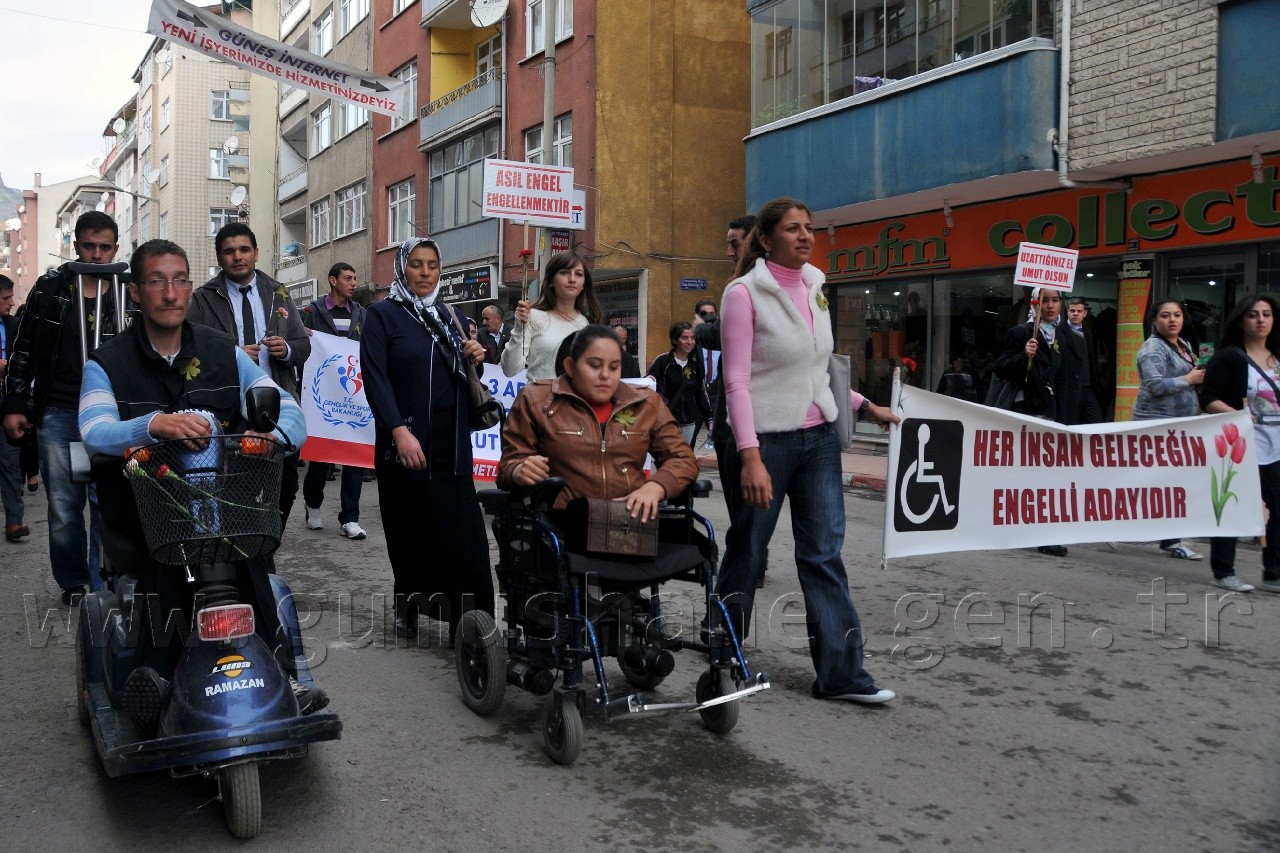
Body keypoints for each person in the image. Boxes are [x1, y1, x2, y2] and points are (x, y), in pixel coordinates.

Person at [78, 239, 327, 716]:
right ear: (136, 292)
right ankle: (155, 680)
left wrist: (275, 435)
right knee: (166, 557)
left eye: (179, 281)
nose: (170, 293)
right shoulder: (106, 362)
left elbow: (287, 410)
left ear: (191, 288)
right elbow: (95, 431)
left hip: (224, 508)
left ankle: (282, 676)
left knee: (249, 553)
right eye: (156, 281)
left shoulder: (222, 351)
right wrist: (152, 424)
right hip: (145, 512)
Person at [717, 198, 898, 705]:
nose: (804, 236)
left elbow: (816, 372)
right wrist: (749, 455)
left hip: (818, 440)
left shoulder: (816, 285)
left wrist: (865, 406)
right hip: (765, 442)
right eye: (793, 229)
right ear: (767, 239)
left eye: (809, 228)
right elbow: (735, 382)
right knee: (748, 552)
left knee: (823, 555)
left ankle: (841, 675)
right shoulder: (743, 294)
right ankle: (722, 651)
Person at [361, 238, 494, 641]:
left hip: (451, 444)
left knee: (463, 534)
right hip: (405, 441)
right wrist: (399, 431)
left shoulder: (449, 315)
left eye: (432, 265)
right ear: (403, 269)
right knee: (410, 530)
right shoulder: (383, 316)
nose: (424, 272)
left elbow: (465, 382)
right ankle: (410, 605)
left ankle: (470, 621)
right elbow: (375, 377)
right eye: (416, 264)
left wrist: (474, 358)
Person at [3, 210, 121, 604]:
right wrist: (16, 403)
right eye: (89, 246)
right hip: (59, 412)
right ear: (76, 247)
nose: (97, 254)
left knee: (108, 503)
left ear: (115, 248)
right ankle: (73, 582)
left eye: (105, 247)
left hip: (111, 416)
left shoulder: (125, 287)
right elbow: (24, 349)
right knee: (65, 508)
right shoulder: (52, 287)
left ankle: (102, 579)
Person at [498, 325, 699, 522]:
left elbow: (683, 459)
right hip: (564, 525)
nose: (605, 375)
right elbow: (509, 465)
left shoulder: (646, 403)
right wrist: (519, 471)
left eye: (614, 367)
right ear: (570, 366)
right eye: (594, 365)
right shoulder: (536, 399)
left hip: (630, 522)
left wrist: (656, 487)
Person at [188, 223, 310, 525]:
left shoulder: (278, 292)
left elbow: (303, 345)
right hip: (230, 412)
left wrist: (288, 350)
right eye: (229, 252)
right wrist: (231, 357)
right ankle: (246, 563)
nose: (237, 257)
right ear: (220, 258)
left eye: (244, 250)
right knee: (236, 493)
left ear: (256, 253)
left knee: (285, 488)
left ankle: (264, 553)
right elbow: (189, 355)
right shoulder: (203, 299)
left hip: (276, 410)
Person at [1200, 293, 1280, 594]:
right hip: (1240, 446)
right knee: (1233, 508)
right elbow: (1207, 398)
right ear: (1242, 320)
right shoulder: (1229, 356)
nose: (1261, 320)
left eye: (1267, 314)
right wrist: (1239, 415)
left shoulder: (1278, 353)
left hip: (1277, 447)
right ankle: (1223, 571)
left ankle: (1273, 573)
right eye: (1253, 315)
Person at [697, 215, 762, 579]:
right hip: (730, 413)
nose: (728, 251)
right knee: (743, 503)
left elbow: (714, 336)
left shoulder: (750, 287)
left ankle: (745, 567)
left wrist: (703, 326)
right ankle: (750, 564)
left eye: (735, 243)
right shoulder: (737, 283)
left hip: (754, 415)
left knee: (747, 504)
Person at [992, 287, 1070, 557]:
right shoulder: (1022, 333)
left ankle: (1042, 532)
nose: (1050, 306)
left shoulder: (1062, 336)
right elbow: (1001, 367)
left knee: (1046, 476)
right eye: (1045, 301)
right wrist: (1024, 355)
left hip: (1048, 413)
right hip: (1023, 413)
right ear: (1035, 304)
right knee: (1027, 475)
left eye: (1055, 300)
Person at [300, 262, 369, 540]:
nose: (353, 283)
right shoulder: (312, 312)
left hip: (353, 398)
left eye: (355, 278)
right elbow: (298, 346)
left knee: (355, 457)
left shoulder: (362, 314)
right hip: (322, 398)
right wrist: (303, 338)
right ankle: (313, 506)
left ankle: (350, 518)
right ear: (332, 280)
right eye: (348, 278)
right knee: (320, 460)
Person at [1132, 299, 1204, 561]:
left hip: (1179, 426)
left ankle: (1169, 539)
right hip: (1155, 426)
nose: (1172, 320)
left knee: (1169, 484)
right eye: (1165, 315)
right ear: (1154, 321)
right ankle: (1166, 538)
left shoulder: (1183, 345)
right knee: (1155, 483)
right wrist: (1189, 379)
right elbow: (1156, 386)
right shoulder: (1152, 348)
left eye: (1177, 315)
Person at [501, 252, 601, 380]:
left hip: (576, 399)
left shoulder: (588, 323)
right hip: (540, 397)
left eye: (579, 274)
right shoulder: (533, 317)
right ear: (551, 281)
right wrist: (519, 328)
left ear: (583, 284)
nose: (572, 279)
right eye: (564, 272)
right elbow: (510, 369)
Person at [646, 322, 710, 445]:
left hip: (689, 422)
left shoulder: (695, 364)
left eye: (692, 338)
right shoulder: (663, 361)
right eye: (684, 338)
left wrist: (709, 418)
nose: (689, 342)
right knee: (668, 457)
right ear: (675, 340)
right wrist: (649, 379)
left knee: (685, 457)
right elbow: (648, 385)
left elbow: (701, 392)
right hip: (666, 421)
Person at [0, 275, 27, 542]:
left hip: (6, 401)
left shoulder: (14, 326)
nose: (11, 303)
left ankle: (14, 521)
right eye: (6, 299)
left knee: (9, 462)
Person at [1065, 297, 1105, 424]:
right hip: (1070, 388)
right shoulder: (1060, 332)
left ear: (1085, 313)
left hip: (1088, 387)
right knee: (1072, 425)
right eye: (1072, 310)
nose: (1075, 313)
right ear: (1067, 312)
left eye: (1079, 311)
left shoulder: (1088, 333)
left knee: (1097, 423)